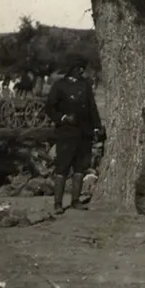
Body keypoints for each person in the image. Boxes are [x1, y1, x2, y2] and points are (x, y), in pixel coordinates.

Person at [44, 56, 106, 215]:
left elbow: (92, 108)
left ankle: (75, 201)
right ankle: (58, 203)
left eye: (83, 68)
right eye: (79, 68)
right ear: (72, 68)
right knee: (62, 167)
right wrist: (63, 118)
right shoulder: (59, 86)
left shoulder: (85, 85)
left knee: (80, 167)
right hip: (66, 133)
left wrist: (97, 127)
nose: (82, 71)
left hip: (84, 133)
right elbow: (50, 108)